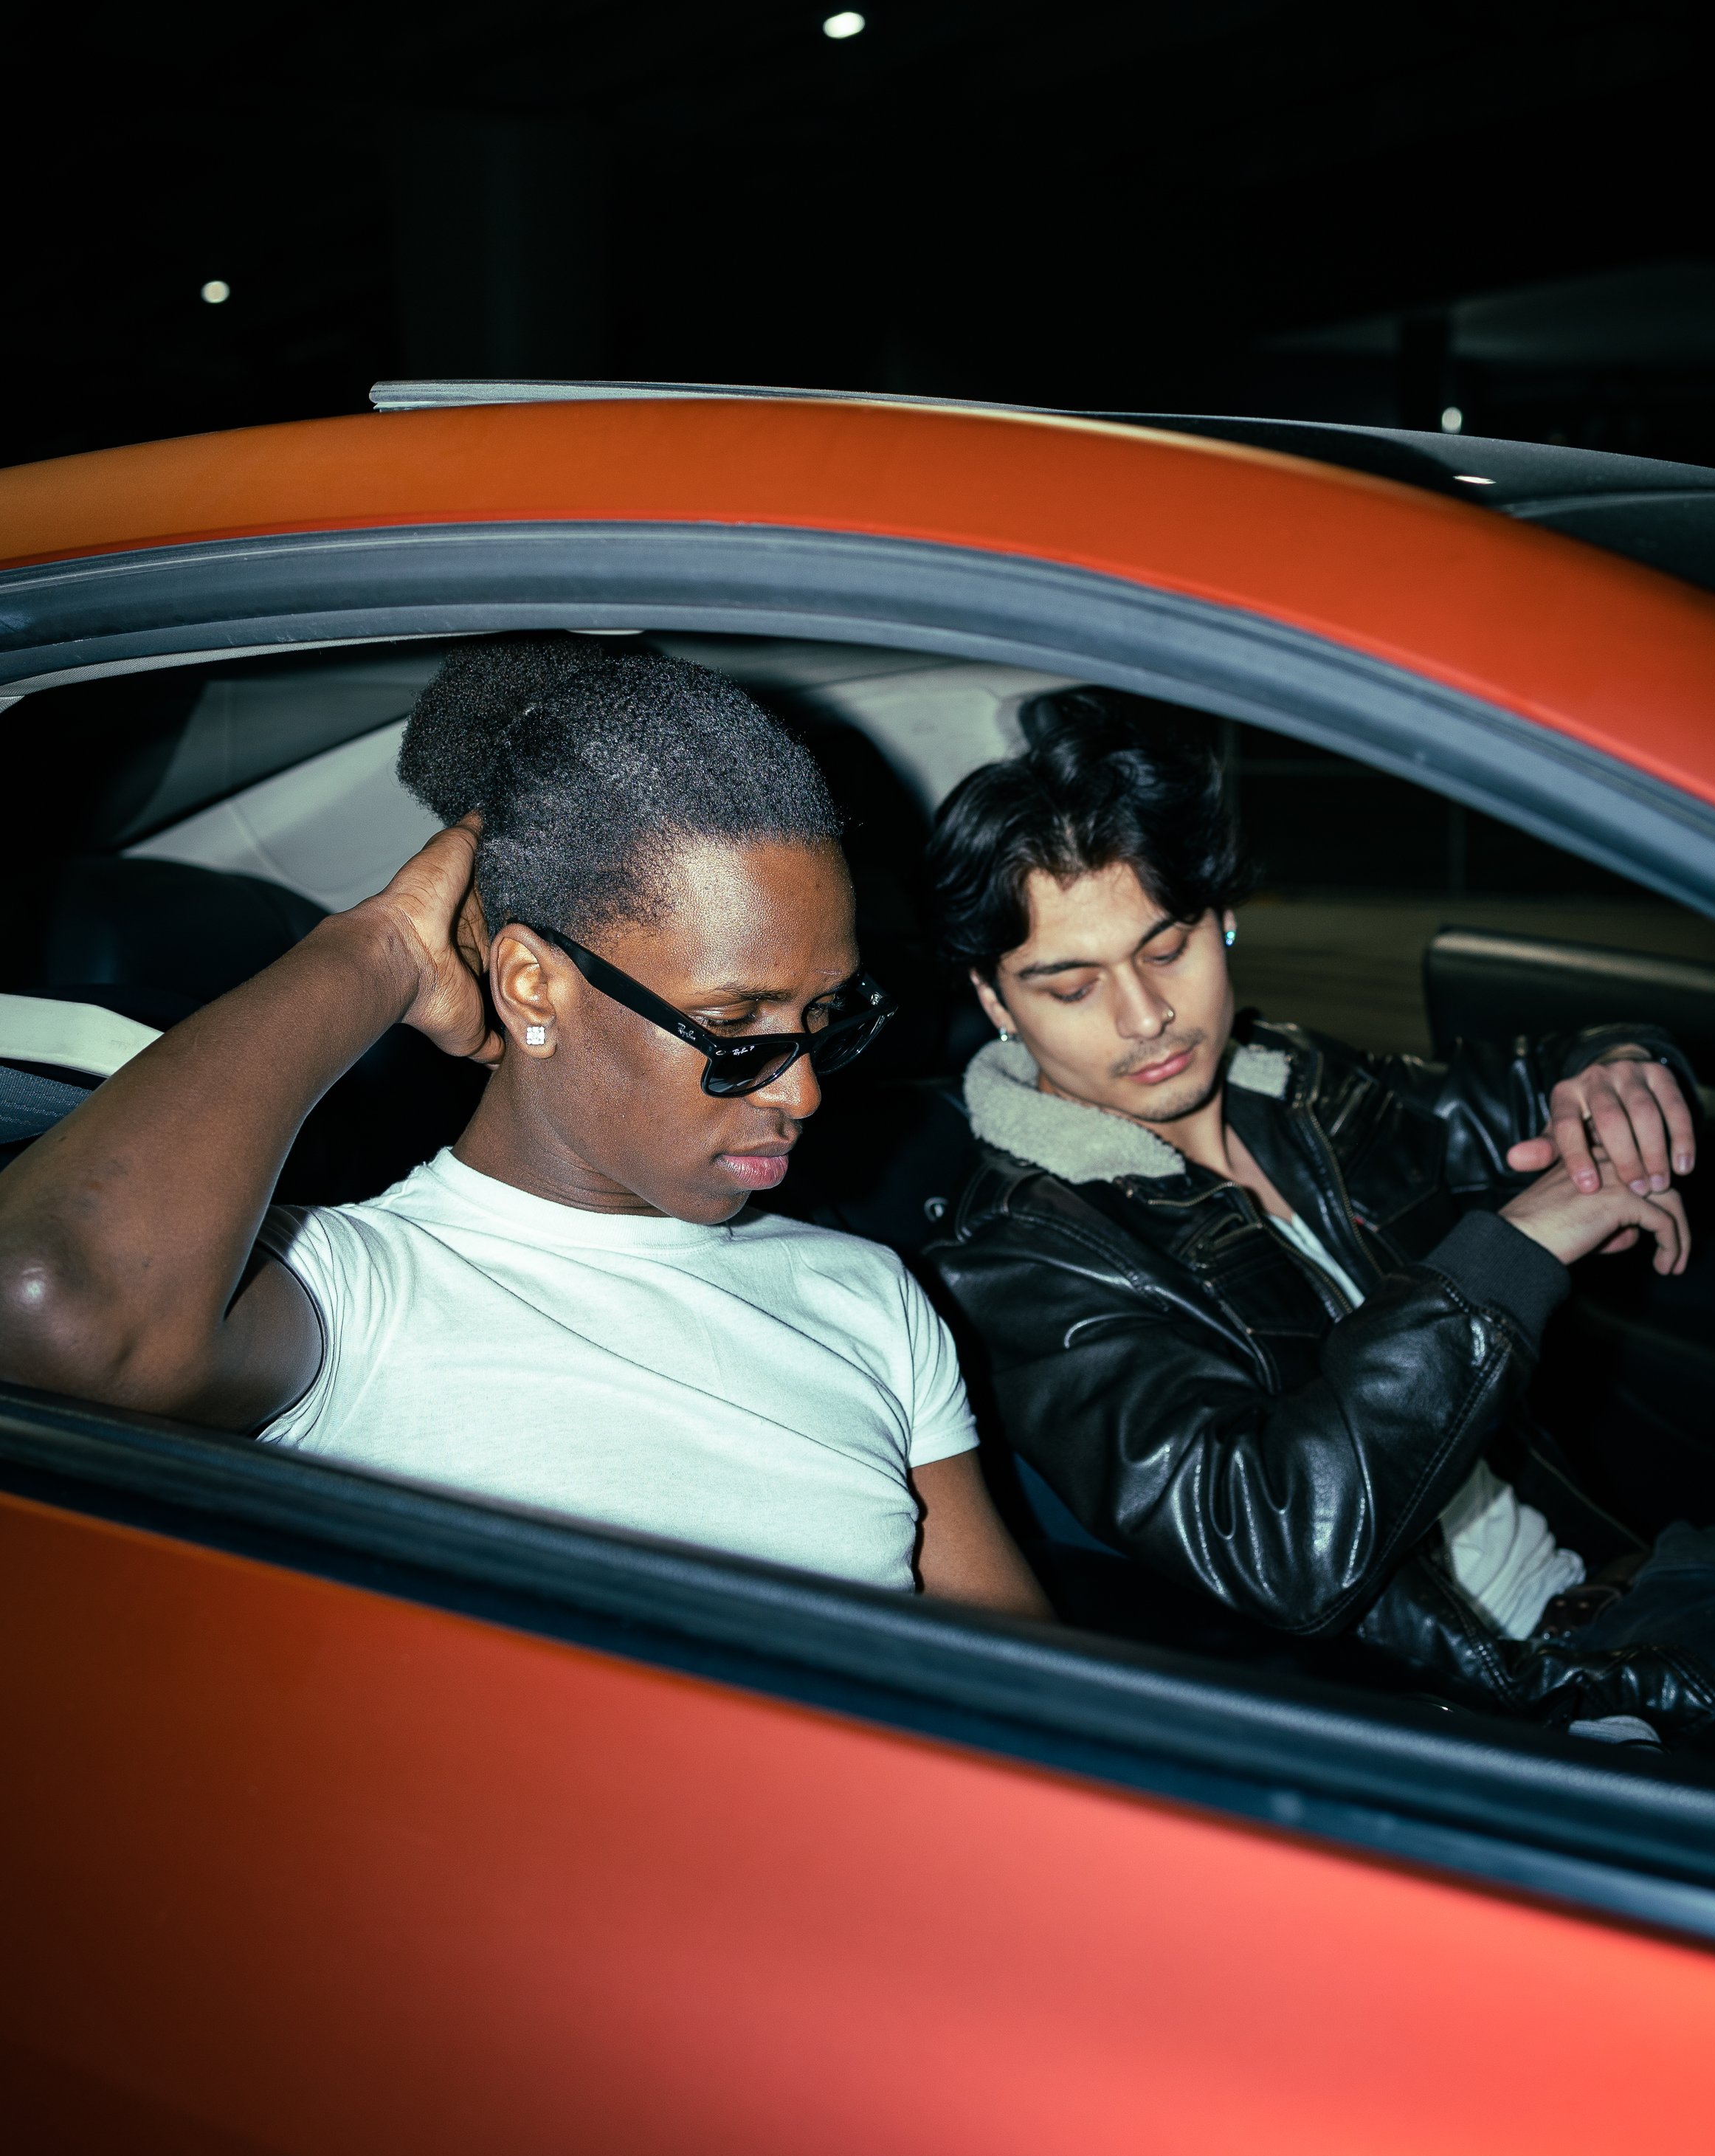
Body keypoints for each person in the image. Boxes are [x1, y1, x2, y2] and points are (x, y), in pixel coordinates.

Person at [0, 638, 1046, 1618]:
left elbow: (1019, 1685)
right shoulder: (362, 1292)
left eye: (822, 1017)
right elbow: (51, 1299)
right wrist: (380, 950)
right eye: (735, 1026)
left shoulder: (865, 1295)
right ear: (534, 988)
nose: (805, 1090)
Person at [922, 687, 1715, 1757]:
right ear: (996, 999)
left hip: (1622, 1579)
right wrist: (1513, 1253)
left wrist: (1619, 1066)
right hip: (1513, 1703)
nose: (1147, 1017)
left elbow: (1522, 1089)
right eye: (1072, 987)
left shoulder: (1289, 1081)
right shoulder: (1019, 1257)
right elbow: (1275, 1546)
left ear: (1220, 913)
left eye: (1167, 947)